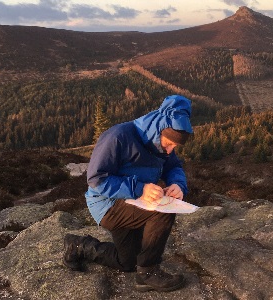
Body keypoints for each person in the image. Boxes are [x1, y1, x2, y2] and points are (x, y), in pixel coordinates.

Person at [63, 94, 193, 293]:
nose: (169, 150)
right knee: (162, 209)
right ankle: (148, 272)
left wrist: (178, 184)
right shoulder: (118, 137)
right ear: (159, 129)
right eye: (168, 144)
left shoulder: (161, 143)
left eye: (174, 146)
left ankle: (79, 246)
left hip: (134, 204)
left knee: (128, 262)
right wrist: (140, 189)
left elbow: (173, 166)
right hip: (107, 204)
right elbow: (97, 179)